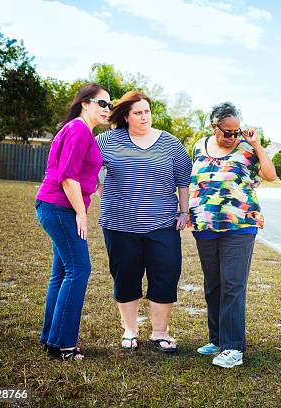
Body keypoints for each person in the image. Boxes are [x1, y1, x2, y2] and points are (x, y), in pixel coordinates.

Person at [96, 91, 192, 353]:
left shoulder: (170, 144)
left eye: (147, 111)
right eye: (138, 112)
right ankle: (130, 330)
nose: (144, 116)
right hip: (119, 223)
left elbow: (184, 179)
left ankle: (160, 332)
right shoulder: (106, 140)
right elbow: (88, 168)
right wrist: (101, 191)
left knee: (165, 275)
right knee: (125, 276)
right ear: (126, 116)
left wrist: (184, 212)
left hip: (162, 224)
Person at [189, 102, 277, 368]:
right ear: (214, 127)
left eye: (236, 131)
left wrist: (257, 144)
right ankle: (217, 340)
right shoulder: (198, 147)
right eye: (227, 132)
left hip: (239, 226)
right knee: (213, 285)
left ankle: (233, 348)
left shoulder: (247, 148)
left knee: (233, 285)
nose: (232, 137)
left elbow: (270, 175)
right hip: (205, 226)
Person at [35, 83, 111, 361]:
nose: (107, 109)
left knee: (63, 273)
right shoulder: (78, 129)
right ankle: (63, 344)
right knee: (79, 269)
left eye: (109, 105)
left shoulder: (82, 132)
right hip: (59, 208)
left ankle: (50, 339)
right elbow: (67, 176)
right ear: (85, 103)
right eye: (102, 103)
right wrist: (81, 212)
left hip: (56, 207)